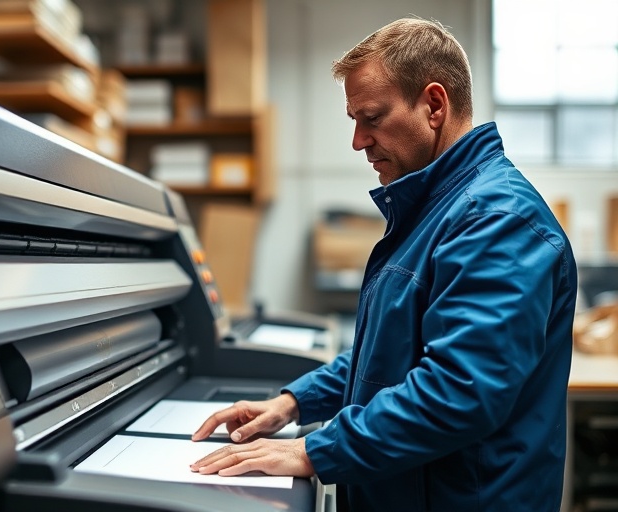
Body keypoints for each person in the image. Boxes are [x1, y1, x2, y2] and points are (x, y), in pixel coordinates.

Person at [189, 17, 578, 512]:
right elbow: (394, 354)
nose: (358, 140)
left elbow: (458, 391)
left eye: (370, 117)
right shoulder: (436, 209)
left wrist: (312, 450)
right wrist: (293, 403)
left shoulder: (496, 220)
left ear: (434, 105)